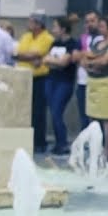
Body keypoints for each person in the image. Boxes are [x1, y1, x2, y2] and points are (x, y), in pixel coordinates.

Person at [15, 14, 56, 154]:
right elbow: (19, 52)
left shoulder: (47, 38)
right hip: (24, 79)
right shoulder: (26, 36)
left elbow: (38, 53)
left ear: (39, 24)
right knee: (26, 111)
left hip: (40, 79)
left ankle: (39, 142)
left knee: (38, 112)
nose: (28, 24)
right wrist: (30, 57)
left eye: (31, 22)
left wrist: (29, 56)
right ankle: (27, 141)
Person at [44, 17, 79, 156]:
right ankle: (59, 143)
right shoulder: (54, 43)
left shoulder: (72, 43)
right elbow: (45, 60)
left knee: (57, 111)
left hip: (64, 82)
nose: (53, 30)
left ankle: (63, 143)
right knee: (53, 112)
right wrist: (56, 61)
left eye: (55, 27)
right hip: (51, 80)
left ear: (63, 29)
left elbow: (65, 63)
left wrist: (55, 61)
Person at [76, 10, 103, 130]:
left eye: (93, 21)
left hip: (98, 83)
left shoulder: (103, 39)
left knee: (98, 118)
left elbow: (98, 57)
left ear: (99, 22)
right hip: (82, 82)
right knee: (83, 116)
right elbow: (76, 56)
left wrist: (86, 58)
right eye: (87, 22)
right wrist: (85, 56)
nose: (89, 24)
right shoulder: (83, 38)